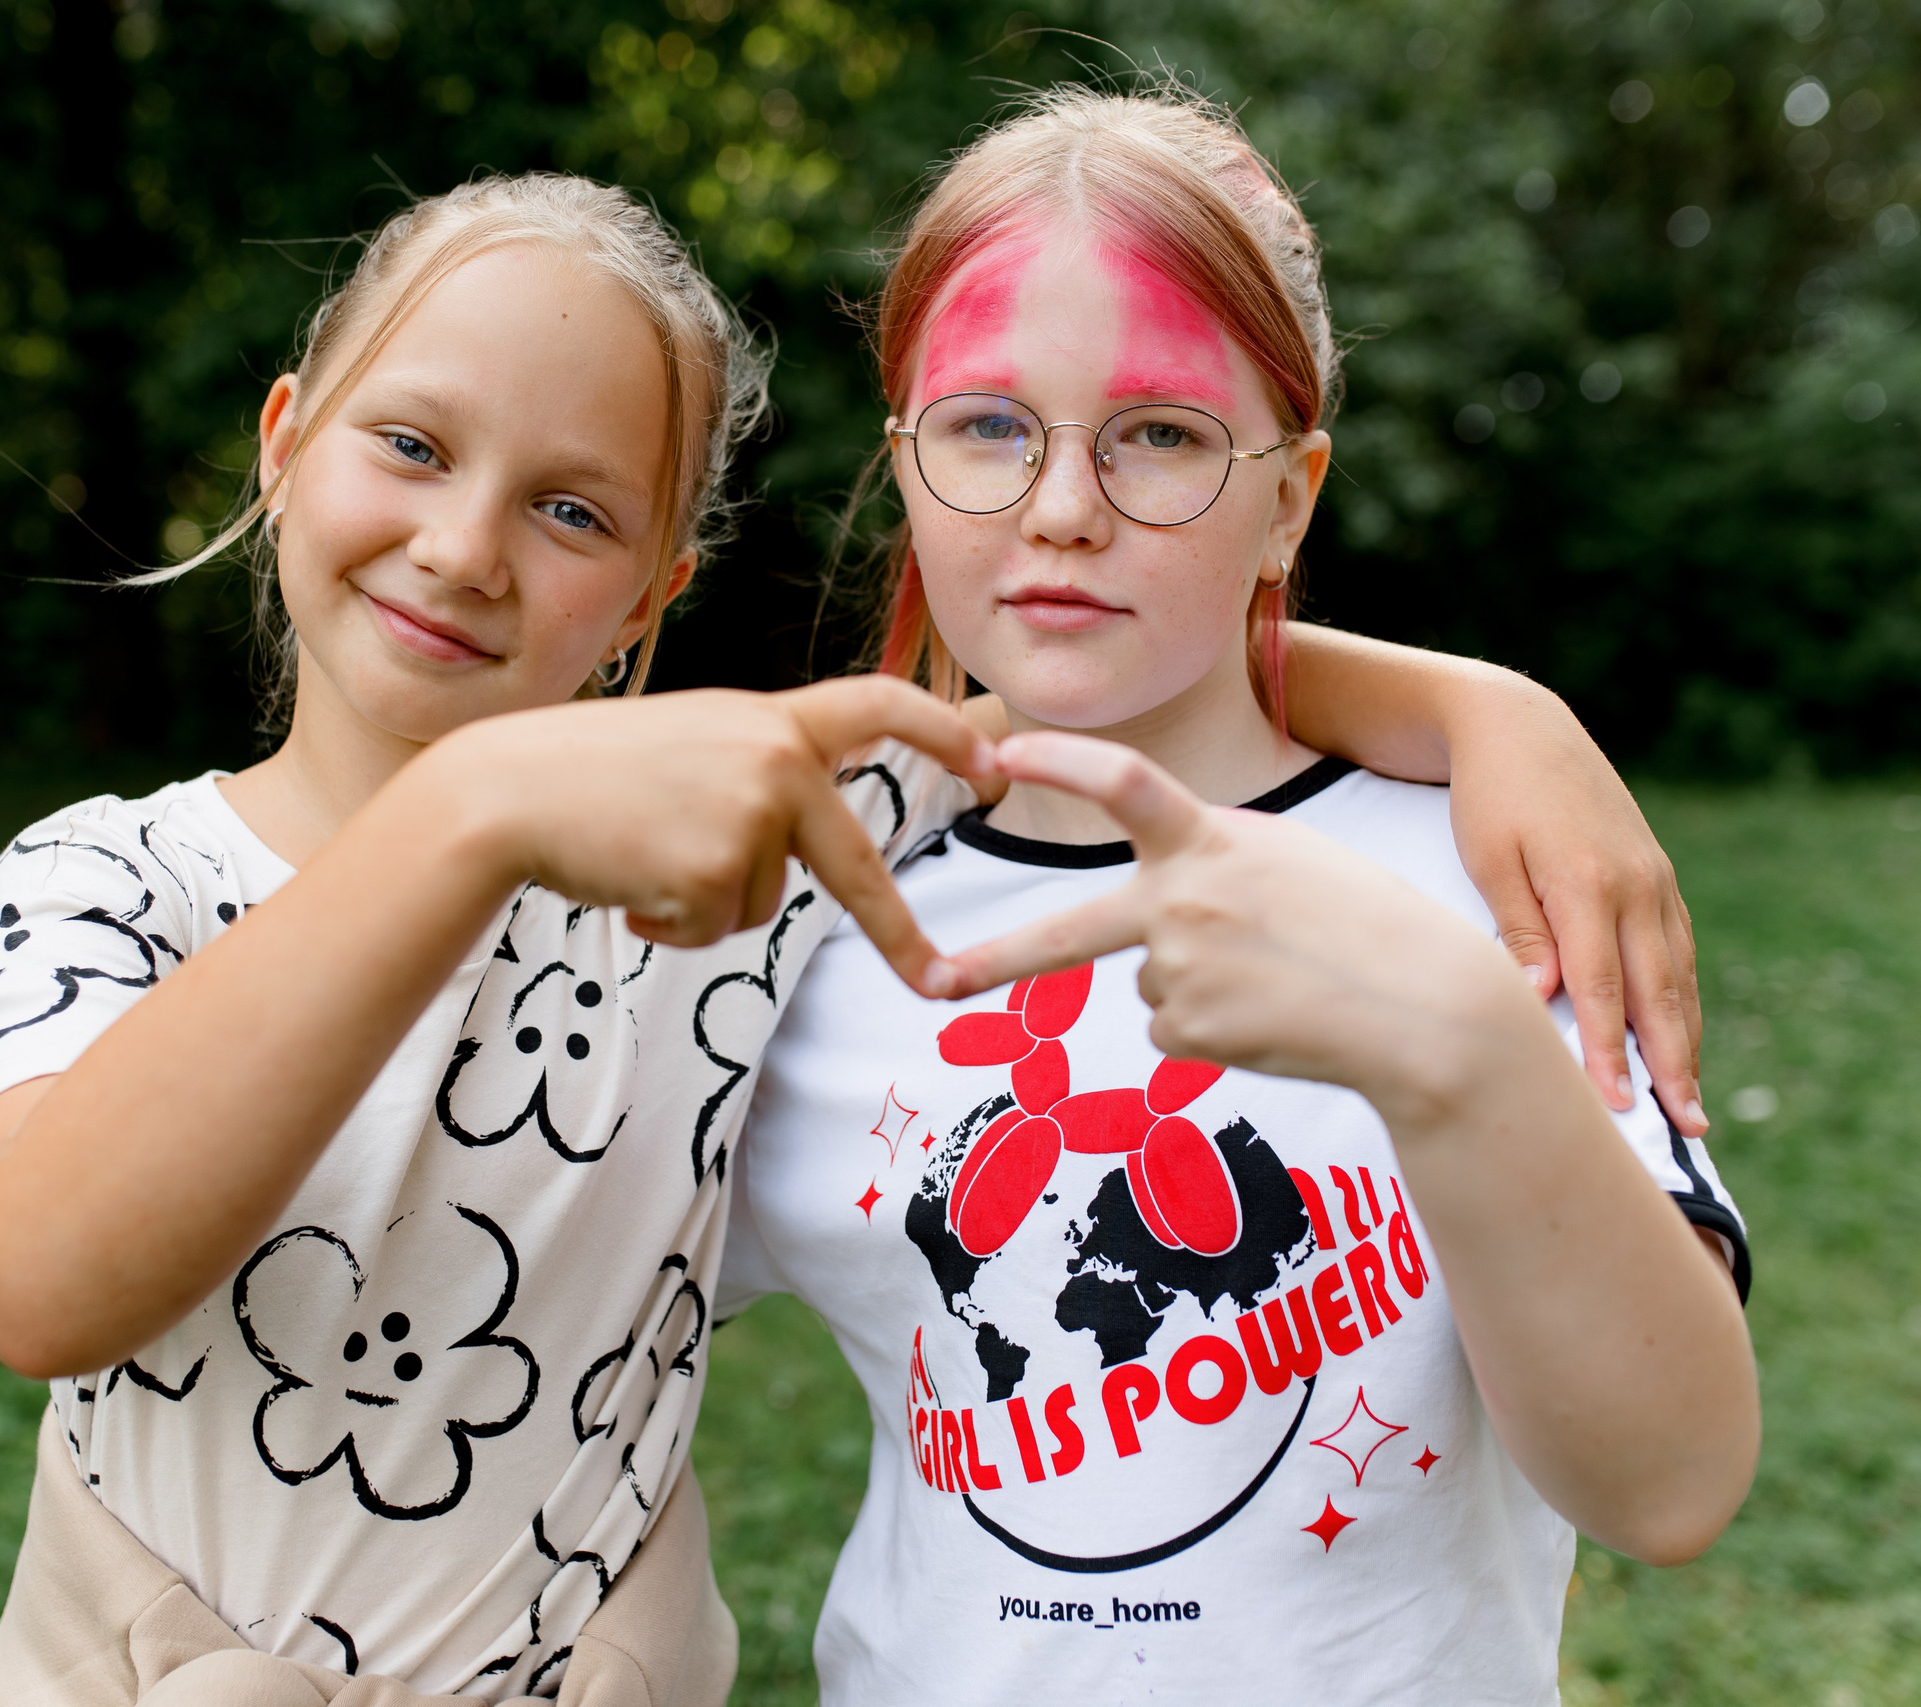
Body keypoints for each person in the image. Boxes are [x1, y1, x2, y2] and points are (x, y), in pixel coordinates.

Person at [0, 171, 1714, 1703]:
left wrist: (1498, 720)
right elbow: (48, 1280)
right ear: (283, 438)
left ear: (657, 593)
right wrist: (459, 821)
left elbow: (1076, 706)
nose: (466, 548)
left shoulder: (759, 876)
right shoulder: (116, 884)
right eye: (408, 445)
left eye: (573, 511)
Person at [720, 87, 1758, 1707]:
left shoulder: (1490, 868)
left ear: (1290, 493)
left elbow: (1671, 1485)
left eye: (1162, 434)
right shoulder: (814, 922)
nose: (1065, 505)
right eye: (989, 425)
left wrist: (1462, 1056)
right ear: (907, 464)